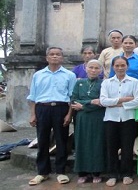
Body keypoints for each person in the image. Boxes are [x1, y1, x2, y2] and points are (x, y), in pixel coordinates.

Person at [27, 47, 77, 186]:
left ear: (62, 57)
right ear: (47, 57)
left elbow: (72, 97)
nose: (55, 56)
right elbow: (33, 96)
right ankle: (42, 172)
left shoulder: (69, 75)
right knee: (42, 140)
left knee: (61, 140)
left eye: (58, 54)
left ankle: (61, 171)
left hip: (61, 108)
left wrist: (69, 114)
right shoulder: (38, 75)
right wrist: (33, 114)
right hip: (42, 108)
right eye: (52, 54)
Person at [100, 56, 138, 187]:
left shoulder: (134, 82)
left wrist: (116, 103)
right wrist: (123, 100)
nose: (120, 68)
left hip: (128, 118)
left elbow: (137, 101)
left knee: (127, 147)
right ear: (113, 67)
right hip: (111, 119)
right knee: (111, 147)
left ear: (127, 66)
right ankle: (112, 174)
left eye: (122, 65)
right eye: (117, 65)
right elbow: (103, 101)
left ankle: (127, 174)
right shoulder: (106, 82)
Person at [71, 60, 106, 184]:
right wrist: (91, 102)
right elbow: (74, 100)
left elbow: (103, 101)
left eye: (97, 68)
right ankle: (83, 172)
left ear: (100, 71)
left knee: (97, 143)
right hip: (82, 118)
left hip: (97, 117)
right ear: (86, 68)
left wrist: (84, 104)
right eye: (91, 67)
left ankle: (96, 172)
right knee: (82, 142)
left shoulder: (103, 84)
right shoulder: (79, 83)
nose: (93, 70)